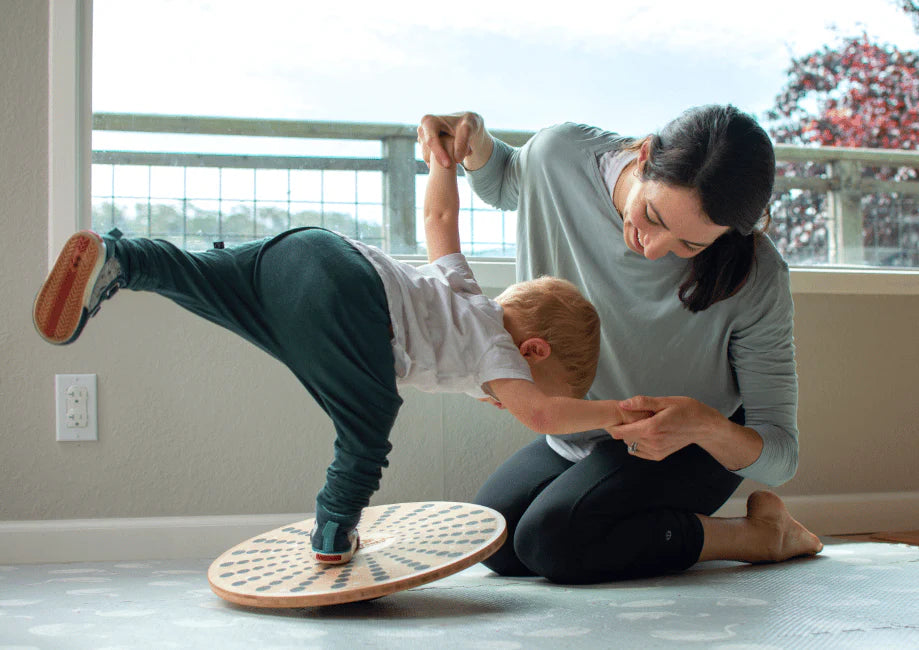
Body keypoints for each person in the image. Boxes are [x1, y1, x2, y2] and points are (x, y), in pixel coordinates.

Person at [33, 137, 648, 566]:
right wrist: (615, 414)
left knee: (207, 282)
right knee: (369, 417)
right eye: (542, 382)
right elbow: (543, 418)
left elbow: (438, 218)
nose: (520, 397)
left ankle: (126, 259)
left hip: (307, 252)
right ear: (533, 350)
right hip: (353, 301)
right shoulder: (499, 351)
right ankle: (334, 524)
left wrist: (440, 157)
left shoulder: (466, 291)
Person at [418, 105, 824, 584]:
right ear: (647, 153)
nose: (652, 247)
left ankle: (757, 536)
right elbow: (505, 178)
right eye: (651, 215)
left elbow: (780, 455)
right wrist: (473, 141)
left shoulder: (756, 274)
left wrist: (703, 426)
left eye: (690, 245)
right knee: (493, 541)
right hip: (591, 431)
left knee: (552, 540)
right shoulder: (561, 155)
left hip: (686, 446)